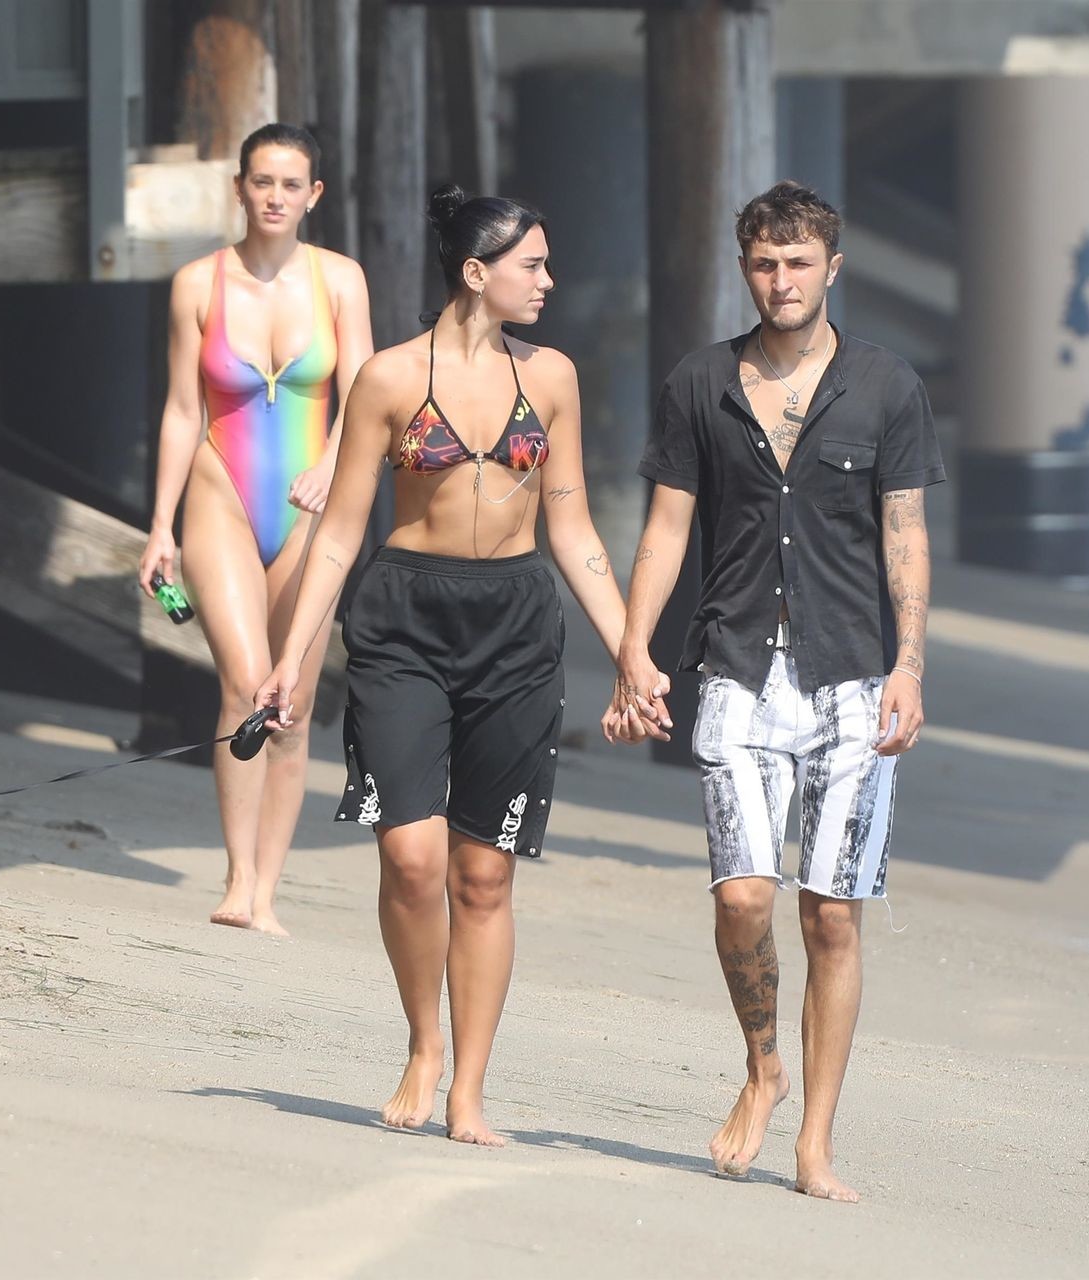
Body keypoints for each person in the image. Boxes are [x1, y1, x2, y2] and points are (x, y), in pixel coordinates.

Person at [257, 184, 637, 1146]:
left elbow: (573, 527)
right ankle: (423, 1044)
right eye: (531, 265)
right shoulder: (387, 378)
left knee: (483, 874)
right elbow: (339, 534)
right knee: (411, 855)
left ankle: (469, 1087)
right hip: (404, 620)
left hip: (515, 625)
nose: (548, 281)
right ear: (476, 273)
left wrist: (631, 650)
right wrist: (290, 660)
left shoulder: (551, 377)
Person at [613, 180, 943, 1201]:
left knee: (832, 916)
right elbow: (667, 525)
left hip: (854, 678)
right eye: (765, 264)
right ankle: (763, 1066)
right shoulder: (701, 382)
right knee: (742, 896)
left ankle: (815, 1141)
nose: (782, 280)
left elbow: (904, 531)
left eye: (799, 263)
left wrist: (910, 665)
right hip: (737, 668)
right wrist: (632, 649)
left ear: (832, 267)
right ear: (744, 269)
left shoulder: (886, 385)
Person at [140, 123, 375, 936]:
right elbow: (181, 410)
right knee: (243, 686)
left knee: (294, 700)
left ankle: (268, 890)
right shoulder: (196, 284)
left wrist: (333, 465)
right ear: (239, 188)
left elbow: (365, 393)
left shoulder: (340, 280)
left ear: (314, 195)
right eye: (262, 182)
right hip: (221, 499)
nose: (275, 197)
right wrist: (159, 526)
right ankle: (237, 880)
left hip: (311, 508)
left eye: (291, 184)